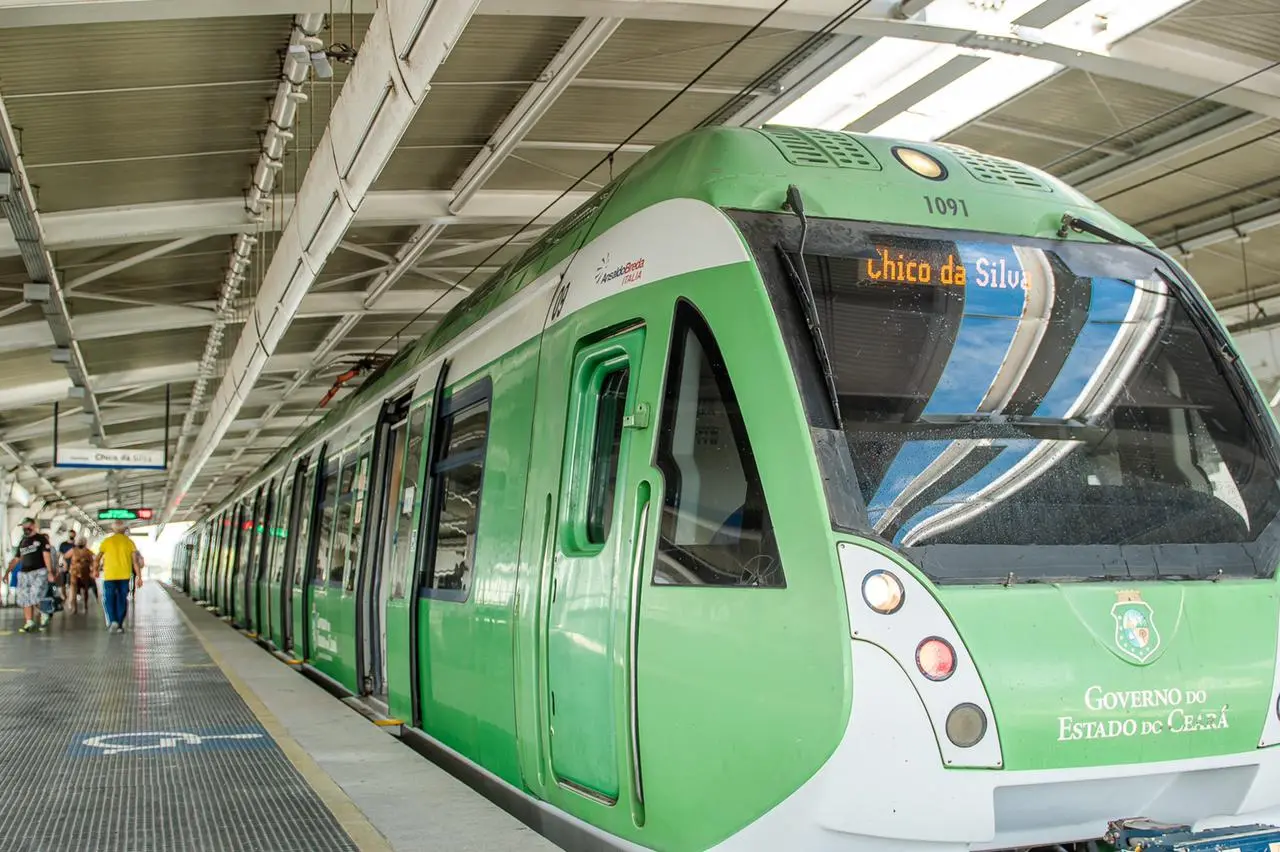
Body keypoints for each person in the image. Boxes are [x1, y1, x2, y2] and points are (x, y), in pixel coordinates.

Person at [6, 517, 55, 633]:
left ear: (33, 525)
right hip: (24, 573)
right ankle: (29, 622)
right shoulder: (23, 541)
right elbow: (17, 558)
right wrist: (7, 572)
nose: (25, 528)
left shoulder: (41, 539)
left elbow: (46, 556)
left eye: (27, 526)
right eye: (23, 526)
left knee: (36, 595)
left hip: (39, 571)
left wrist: (49, 572)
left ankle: (44, 613)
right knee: (25, 598)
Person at [95, 520, 143, 633]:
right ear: (125, 529)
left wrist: (95, 570)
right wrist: (139, 577)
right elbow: (135, 562)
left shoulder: (107, 541)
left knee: (109, 598)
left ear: (113, 529)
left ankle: (113, 621)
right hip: (124, 576)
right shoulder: (129, 542)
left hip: (110, 575)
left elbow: (97, 558)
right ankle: (120, 624)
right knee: (122, 599)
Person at [67, 537, 97, 614]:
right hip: (75, 573)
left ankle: (85, 606)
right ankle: (75, 607)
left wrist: (93, 570)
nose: (80, 543)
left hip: (84, 573)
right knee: (74, 590)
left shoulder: (88, 551)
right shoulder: (74, 550)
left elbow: (93, 561)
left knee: (85, 590)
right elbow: (65, 557)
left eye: (81, 542)